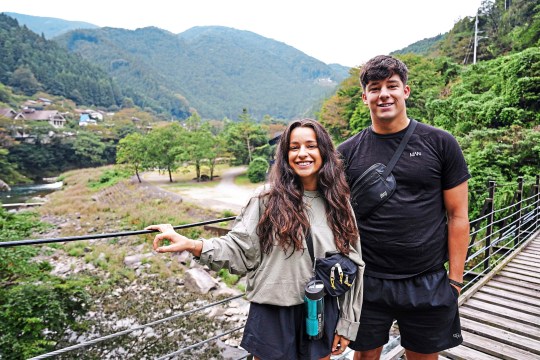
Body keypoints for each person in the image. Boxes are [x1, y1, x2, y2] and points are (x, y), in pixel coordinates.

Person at [146, 118, 364, 360]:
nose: (303, 153)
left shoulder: (338, 203)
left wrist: (347, 323)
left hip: (321, 310)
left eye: (311, 146)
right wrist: (192, 244)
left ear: (324, 151)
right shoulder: (267, 200)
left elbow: (353, 264)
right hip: (272, 314)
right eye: (294, 147)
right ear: (285, 155)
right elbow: (238, 249)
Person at [337, 55, 470, 360]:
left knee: (423, 356)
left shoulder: (441, 143)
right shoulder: (346, 153)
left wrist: (455, 282)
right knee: (365, 356)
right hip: (367, 280)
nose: (384, 94)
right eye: (375, 87)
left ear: (405, 91)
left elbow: (458, 215)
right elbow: (331, 214)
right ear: (365, 97)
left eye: (391, 85)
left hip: (427, 278)